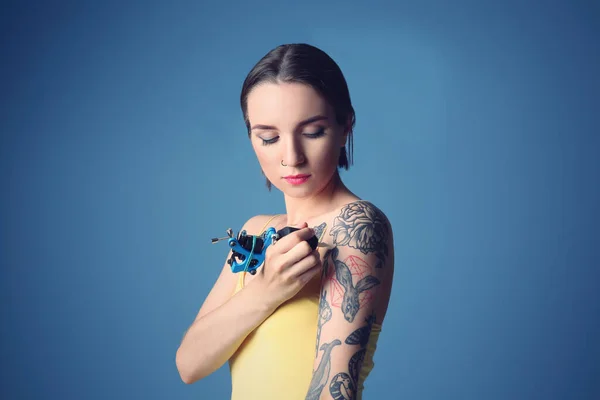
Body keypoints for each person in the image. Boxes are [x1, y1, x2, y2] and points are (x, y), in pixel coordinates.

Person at [175, 43, 394, 400]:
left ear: (345, 126)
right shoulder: (255, 230)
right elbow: (190, 364)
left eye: (312, 132)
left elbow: (334, 390)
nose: (290, 157)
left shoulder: (355, 225)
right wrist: (266, 291)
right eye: (269, 137)